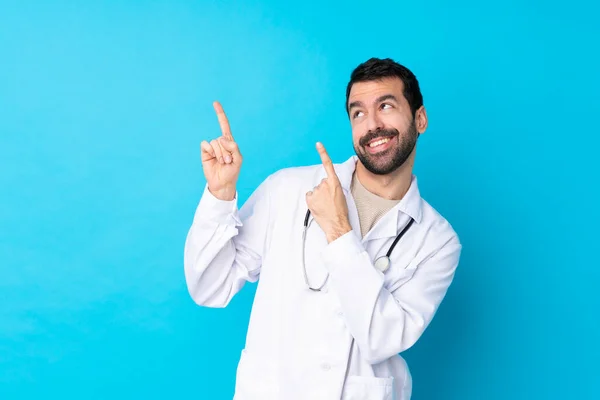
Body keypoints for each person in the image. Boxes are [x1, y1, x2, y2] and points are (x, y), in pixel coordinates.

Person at [183, 57, 462, 400]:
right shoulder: (287, 188)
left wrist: (338, 231)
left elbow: (380, 340)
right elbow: (210, 287)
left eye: (385, 106)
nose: (372, 125)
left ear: (419, 118)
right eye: (358, 113)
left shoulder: (437, 240)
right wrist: (221, 194)